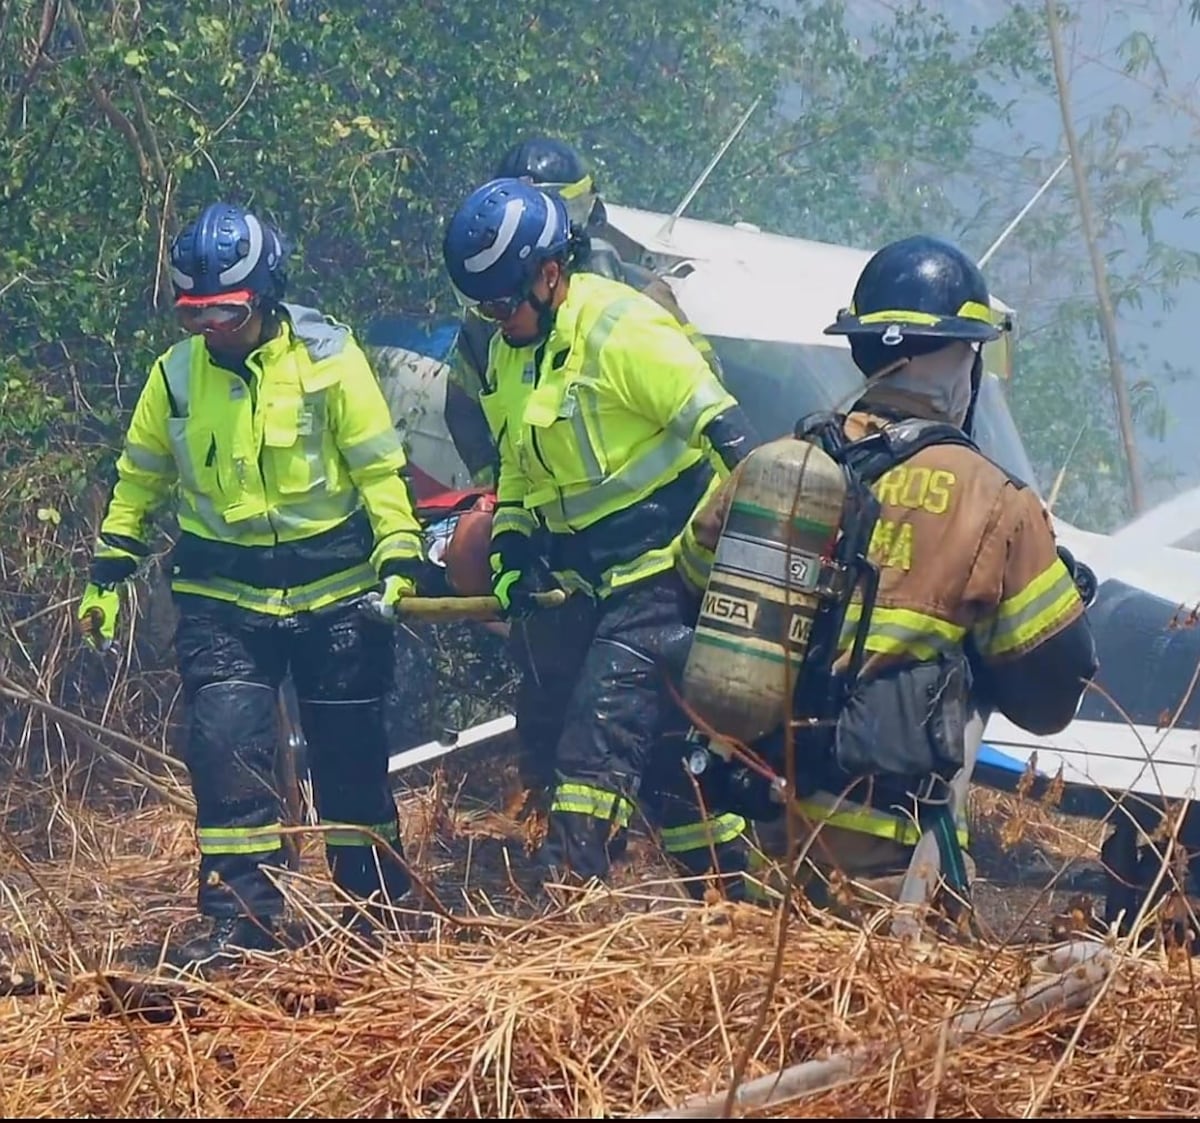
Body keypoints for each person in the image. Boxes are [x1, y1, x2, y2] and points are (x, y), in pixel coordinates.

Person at [674, 234, 1100, 916]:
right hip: (893, 866)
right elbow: (1051, 700)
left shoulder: (781, 464)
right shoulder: (994, 501)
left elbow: (692, 585)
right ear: (959, 359)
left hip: (768, 833)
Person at [77, 201, 426, 966]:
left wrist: (399, 552)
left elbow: (379, 468)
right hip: (223, 605)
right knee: (226, 753)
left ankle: (377, 918)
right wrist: (109, 571)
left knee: (350, 764)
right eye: (194, 315)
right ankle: (241, 927)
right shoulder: (174, 379)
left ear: (266, 295)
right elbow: (139, 480)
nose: (211, 329)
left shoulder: (331, 358)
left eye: (226, 312)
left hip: (335, 595)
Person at [441, 176, 762, 897]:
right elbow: (518, 471)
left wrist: (749, 556)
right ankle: (732, 899)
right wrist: (512, 547)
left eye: (501, 304)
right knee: (668, 765)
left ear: (550, 274)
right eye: (479, 307)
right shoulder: (508, 354)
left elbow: (731, 436)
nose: (493, 320)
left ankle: (563, 904)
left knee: (593, 741)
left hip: (667, 570)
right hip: (594, 583)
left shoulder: (622, 329)